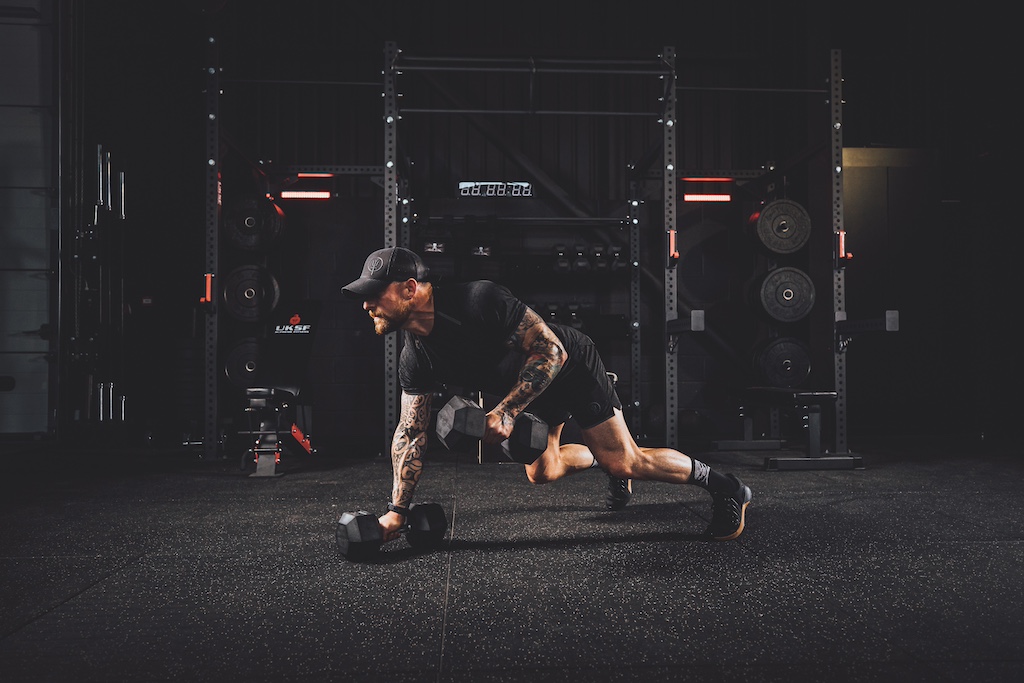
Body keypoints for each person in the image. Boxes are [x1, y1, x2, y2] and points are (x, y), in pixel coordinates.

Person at [343, 247, 752, 544]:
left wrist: (503, 412)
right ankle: (601, 460)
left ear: (410, 288)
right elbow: (410, 433)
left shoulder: (478, 299)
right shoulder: (415, 357)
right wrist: (397, 514)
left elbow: (550, 350)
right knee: (543, 471)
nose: (366, 305)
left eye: (375, 294)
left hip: (568, 364)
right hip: (524, 389)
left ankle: (727, 487)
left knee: (627, 460)